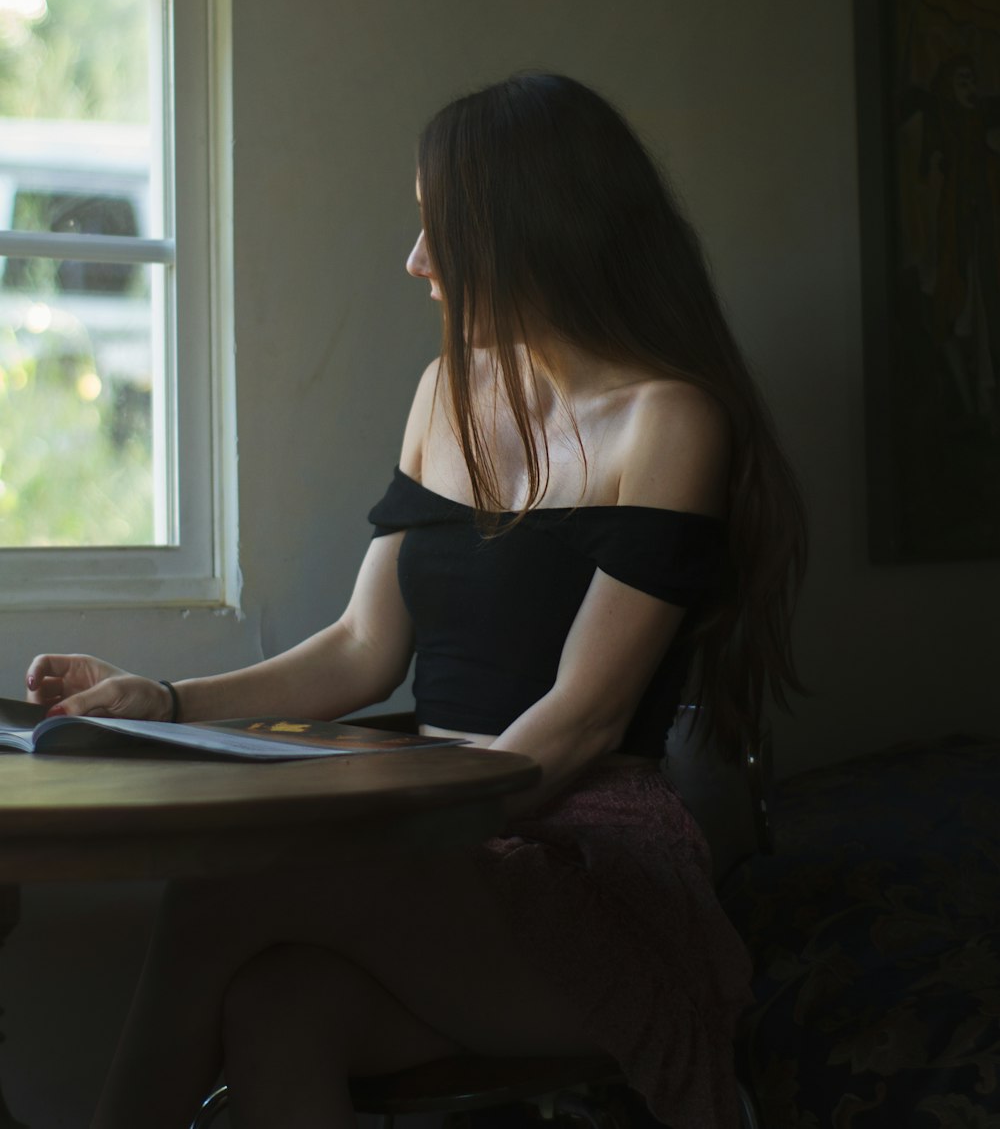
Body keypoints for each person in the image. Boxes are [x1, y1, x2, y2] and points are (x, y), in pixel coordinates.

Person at [27, 72, 806, 1129]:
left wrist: (403, 830)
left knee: (221, 890)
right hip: (443, 840)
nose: (415, 261)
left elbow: (576, 724)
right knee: (276, 1008)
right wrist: (161, 700)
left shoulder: (666, 420)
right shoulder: (444, 391)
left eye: (439, 228)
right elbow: (359, 647)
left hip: (581, 862)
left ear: (529, 230)